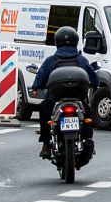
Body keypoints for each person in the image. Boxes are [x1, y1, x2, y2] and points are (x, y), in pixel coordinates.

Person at [31, 25, 98, 158]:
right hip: (78, 101)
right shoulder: (81, 60)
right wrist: (94, 85)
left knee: (44, 109)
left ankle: (45, 144)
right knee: (88, 113)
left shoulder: (51, 60)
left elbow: (40, 78)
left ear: (57, 42)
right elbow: (94, 79)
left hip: (54, 101)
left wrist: (36, 87)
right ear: (76, 41)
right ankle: (87, 140)